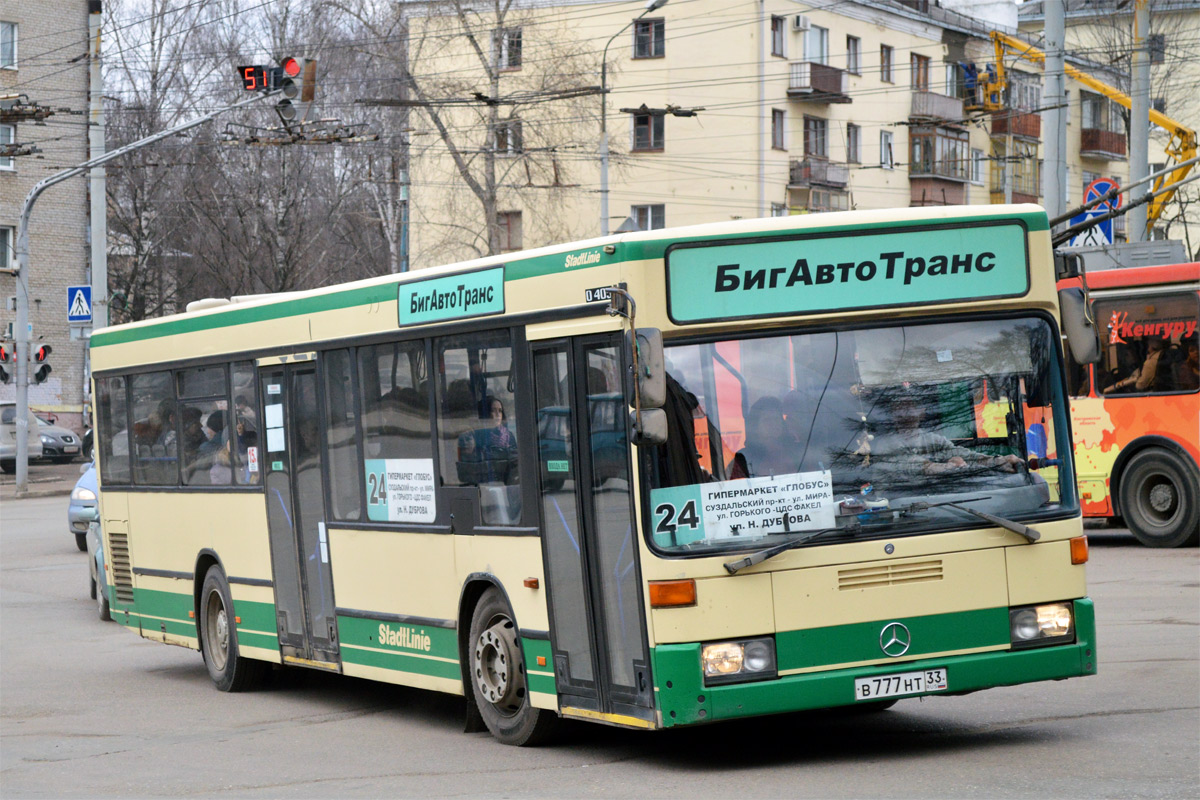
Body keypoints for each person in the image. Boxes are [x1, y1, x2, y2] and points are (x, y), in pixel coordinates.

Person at [872, 393, 1022, 476]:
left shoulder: (932, 439)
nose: (906, 413)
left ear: (922, 412)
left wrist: (998, 461)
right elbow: (915, 466)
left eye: (911, 407)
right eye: (899, 408)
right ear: (892, 414)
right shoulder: (885, 445)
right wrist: (949, 466)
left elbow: (964, 455)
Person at [728, 396, 797, 479]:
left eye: (776, 419)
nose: (773, 424)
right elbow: (735, 488)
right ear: (756, 425)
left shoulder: (798, 451)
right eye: (767, 420)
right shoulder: (743, 458)